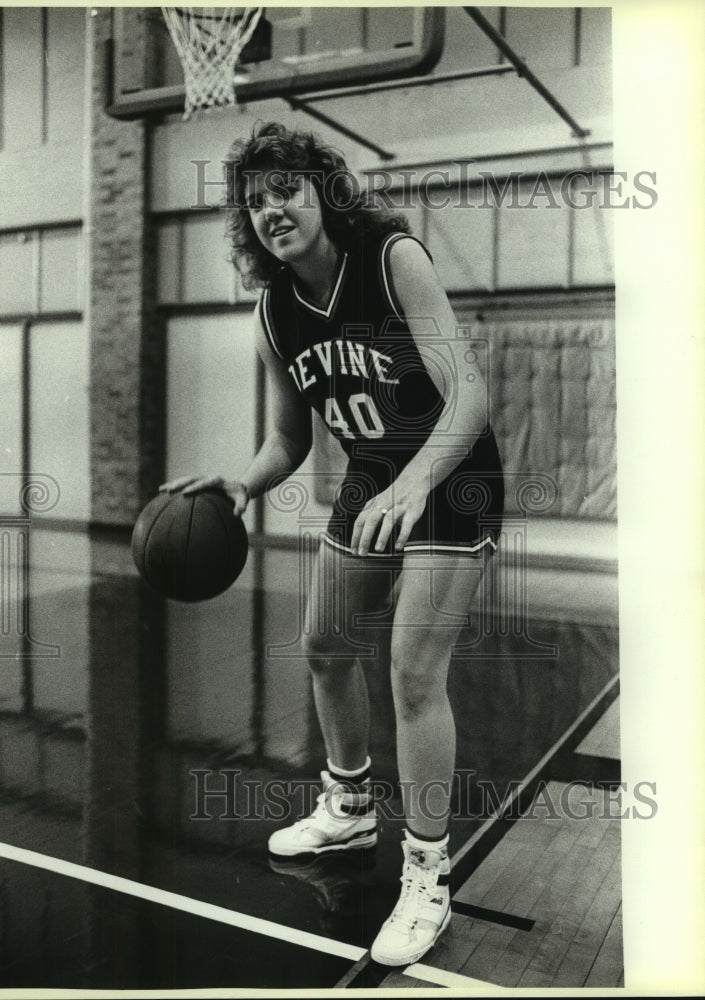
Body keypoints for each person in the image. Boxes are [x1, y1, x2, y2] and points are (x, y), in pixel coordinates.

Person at [161, 121, 504, 966]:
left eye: (286, 190)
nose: (272, 209)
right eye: (256, 201)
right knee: (323, 646)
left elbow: (470, 396)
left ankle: (426, 871)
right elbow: (289, 441)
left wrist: (416, 481)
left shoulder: (392, 259)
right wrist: (241, 485)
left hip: (449, 474)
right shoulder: (274, 311)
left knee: (414, 672)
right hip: (373, 473)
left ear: (321, 192)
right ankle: (347, 813)